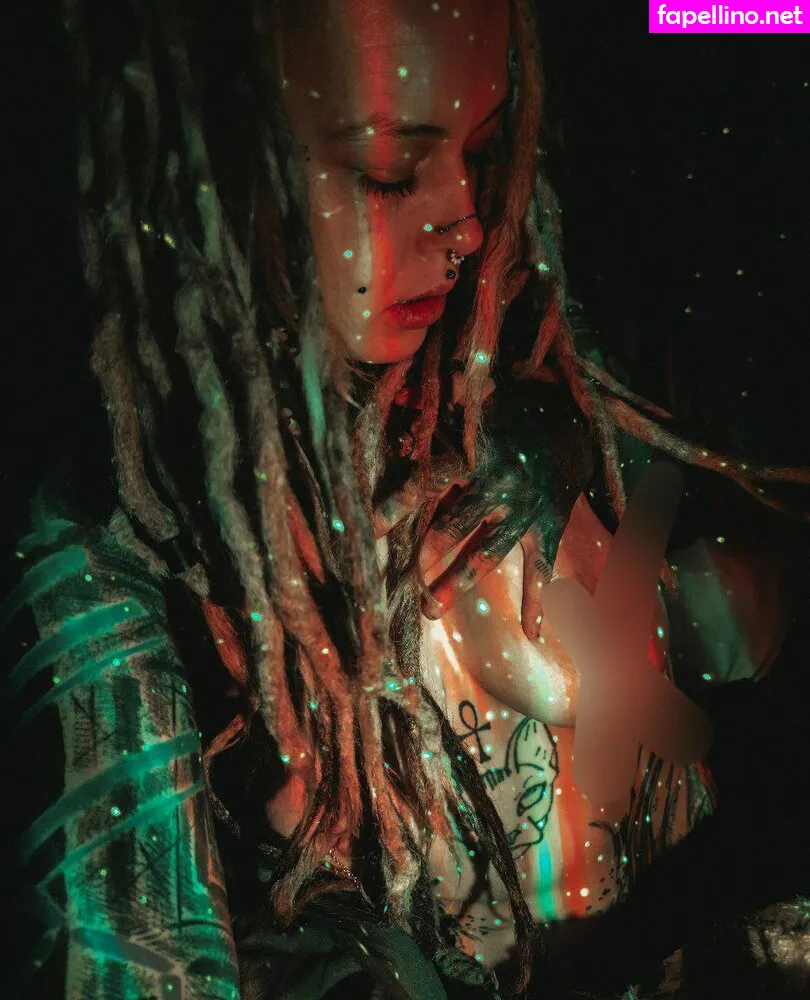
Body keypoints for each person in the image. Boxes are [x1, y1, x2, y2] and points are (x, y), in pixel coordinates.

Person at [4, 1, 808, 998]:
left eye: (485, 148)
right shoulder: (109, 580)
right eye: (389, 170)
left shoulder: (519, 403)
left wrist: (716, 609)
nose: (465, 221)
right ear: (216, 169)